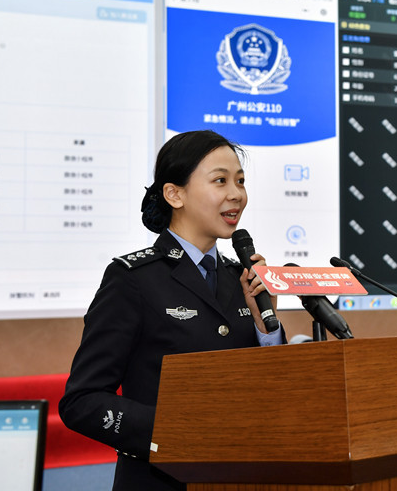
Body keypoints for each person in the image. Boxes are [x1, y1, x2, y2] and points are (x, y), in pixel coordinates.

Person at [60, 130, 286, 491]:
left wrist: (266, 329)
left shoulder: (240, 279)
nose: (236, 194)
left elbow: (274, 391)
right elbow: (81, 402)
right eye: (220, 181)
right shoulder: (133, 279)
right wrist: (175, 432)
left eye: (240, 181)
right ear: (174, 194)